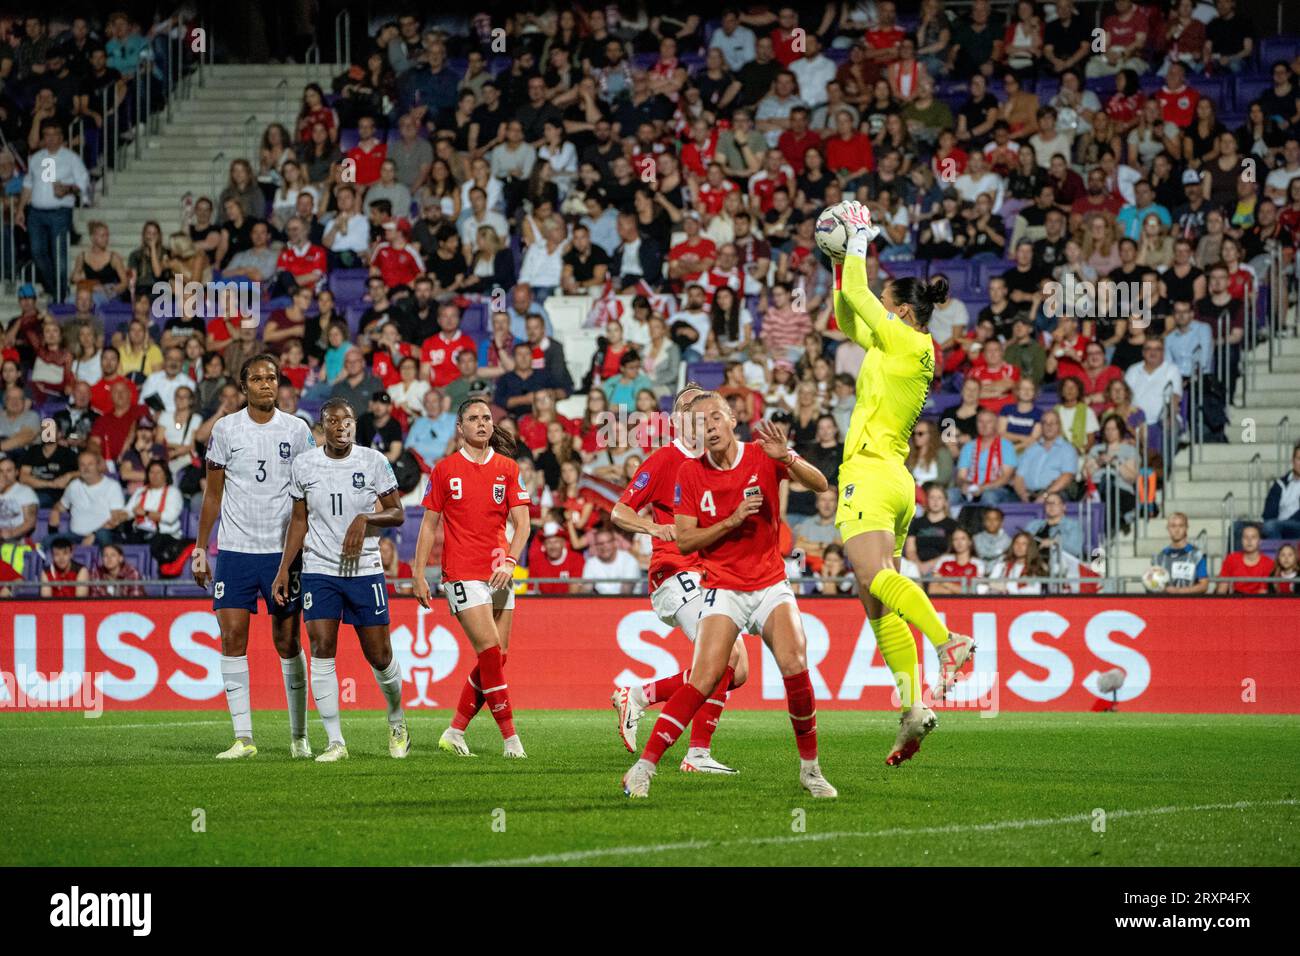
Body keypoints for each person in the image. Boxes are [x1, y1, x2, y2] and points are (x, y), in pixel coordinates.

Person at [621, 396, 835, 799]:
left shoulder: (762, 455)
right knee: (706, 678)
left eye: (716, 417)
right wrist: (733, 518)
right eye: (701, 422)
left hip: (770, 583)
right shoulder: (690, 471)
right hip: (722, 587)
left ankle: (811, 770)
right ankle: (643, 768)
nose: (710, 426)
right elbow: (684, 540)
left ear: (732, 419)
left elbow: (821, 484)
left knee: (795, 662)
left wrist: (787, 457)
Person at [830, 199, 975, 765]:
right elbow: (848, 314)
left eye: (886, 309)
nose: (876, 315)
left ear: (904, 314)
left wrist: (860, 240)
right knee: (875, 598)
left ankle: (948, 641)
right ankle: (913, 707)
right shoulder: (898, 348)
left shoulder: (907, 340)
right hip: (894, 480)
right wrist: (838, 260)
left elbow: (862, 300)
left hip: (868, 473)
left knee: (872, 577)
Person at [610, 383, 750, 774]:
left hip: (711, 572)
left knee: (736, 671)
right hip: (674, 571)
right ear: (676, 419)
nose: (700, 412)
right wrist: (655, 530)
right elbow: (619, 512)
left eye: (706, 406)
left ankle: (638, 695)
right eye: (690, 406)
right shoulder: (664, 460)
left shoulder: (716, 461)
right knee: (726, 656)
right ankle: (697, 754)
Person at [192, 354, 316, 761]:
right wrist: (200, 548)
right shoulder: (226, 430)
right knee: (232, 638)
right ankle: (243, 737)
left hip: (282, 554)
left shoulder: (297, 430)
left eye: (272, 378)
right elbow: (213, 494)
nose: (267, 384)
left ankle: (298, 735)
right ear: (243, 386)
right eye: (258, 378)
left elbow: (310, 490)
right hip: (235, 551)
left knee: (287, 641)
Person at [274, 398, 408, 763]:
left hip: (364, 569)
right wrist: (285, 567)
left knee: (379, 656)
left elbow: (398, 513)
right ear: (323, 427)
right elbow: (298, 521)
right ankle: (336, 742)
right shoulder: (304, 465)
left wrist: (366, 518)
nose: (341, 427)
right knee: (320, 648)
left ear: (353, 426)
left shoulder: (373, 461)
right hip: (319, 569)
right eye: (333, 422)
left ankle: (396, 718)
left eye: (347, 422)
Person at [412, 398, 530, 758]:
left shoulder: (508, 468)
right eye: (473, 419)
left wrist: (510, 561)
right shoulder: (444, 470)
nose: (482, 423)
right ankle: (511, 739)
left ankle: (455, 731)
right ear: (459, 428)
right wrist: (418, 573)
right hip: (462, 573)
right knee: (491, 653)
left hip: (500, 573)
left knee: (499, 656)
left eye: (487, 418)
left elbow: (523, 524)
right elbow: (429, 524)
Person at [1149, 511, 1209, 594]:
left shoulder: (1196, 555)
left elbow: (1204, 586)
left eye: (1181, 526)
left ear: (1186, 528)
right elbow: (1154, 585)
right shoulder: (1159, 557)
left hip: (1190, 604)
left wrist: (1179, 591)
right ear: (1168, 528)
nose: (1177, 530)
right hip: (1166, 604)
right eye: (1173, 526)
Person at [1216, 522, 1274, 596]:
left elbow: (1263, 593)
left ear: (1260, 541)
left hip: (1258, 602)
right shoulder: (1231, 559)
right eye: (1245, 537)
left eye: (1253, 537)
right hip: (1235, 600)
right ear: (1241, 540)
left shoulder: (1268, 563)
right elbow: (1222, 589)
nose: (1249, 541)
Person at [582, 526, 642, 595]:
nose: (604, 546)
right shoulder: (591, 563)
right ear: (595, 546)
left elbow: (626, 592)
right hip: (602, 603)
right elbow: (585, 590)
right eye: (600, 543)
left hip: (630, 603)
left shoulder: (629, 561)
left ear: (615, 543)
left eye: (608, 542)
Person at [1261, 443, 1300, 540]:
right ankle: (1235, 555)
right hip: (1279, 527)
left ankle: (1280, 553)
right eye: (1299, 459)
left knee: (1271, 526)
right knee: (1238, 527)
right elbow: (1268, 514)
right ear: (1293, 461)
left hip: (1296, 527)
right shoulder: (1280, 484)